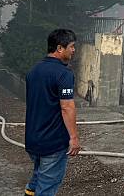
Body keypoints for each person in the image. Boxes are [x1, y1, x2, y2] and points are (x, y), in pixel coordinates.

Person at [24, 29, 81, 196]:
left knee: (37, 177)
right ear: (59, 48)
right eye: (71, 46)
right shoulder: (64, 74)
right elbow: (67, 107)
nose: (74, 50)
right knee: (47, 186)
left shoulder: (34, 71)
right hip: (53, 143)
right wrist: (74, 138)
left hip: (33, 140)